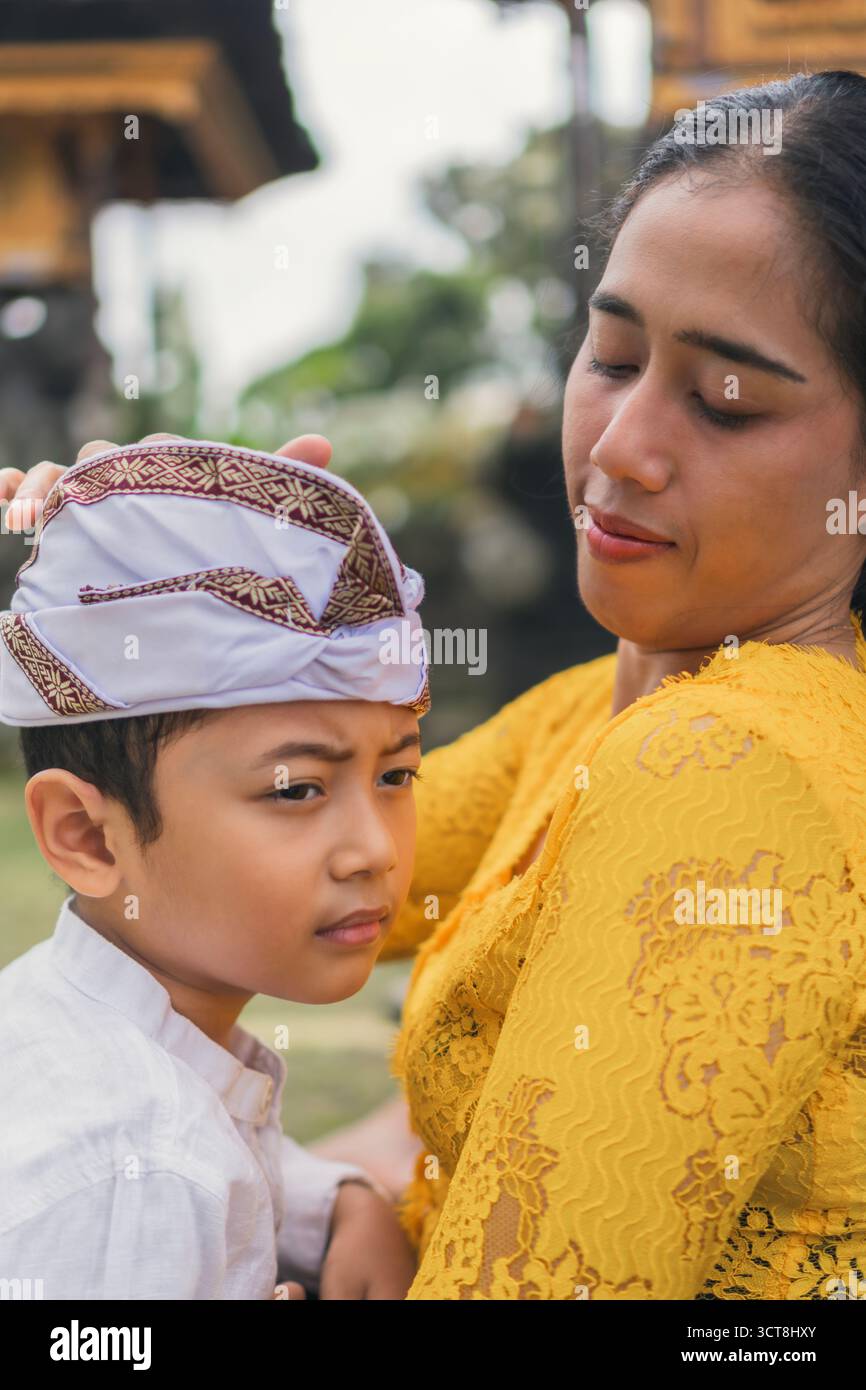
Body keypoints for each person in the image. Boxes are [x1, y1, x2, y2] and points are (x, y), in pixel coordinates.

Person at [6, 68, 866, 1301]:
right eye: (611, 355)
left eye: (724, 402)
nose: (619, 450)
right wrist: (179, 575)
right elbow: (239, 863)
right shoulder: (590, 713)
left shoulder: (727, 768)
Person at [0, 437, 427, 1300]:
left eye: (396, 776)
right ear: (87, 835)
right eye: (298, 788)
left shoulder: (88, 1023)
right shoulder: (140, 1172)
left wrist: (338, 1204)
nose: (375, 849)